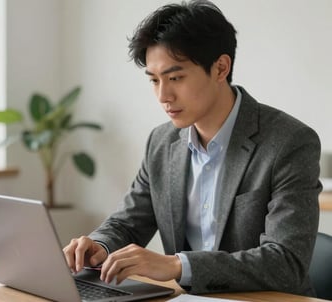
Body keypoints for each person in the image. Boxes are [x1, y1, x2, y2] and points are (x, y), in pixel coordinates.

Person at [63, 0, 322, 296]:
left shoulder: (289, 142)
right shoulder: (162, 142)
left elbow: (285, 263)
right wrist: (100, 245)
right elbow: (128, 223)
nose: (163, 95)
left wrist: (177, 266)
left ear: (220, 68)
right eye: (154, 80)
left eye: (175, 78)